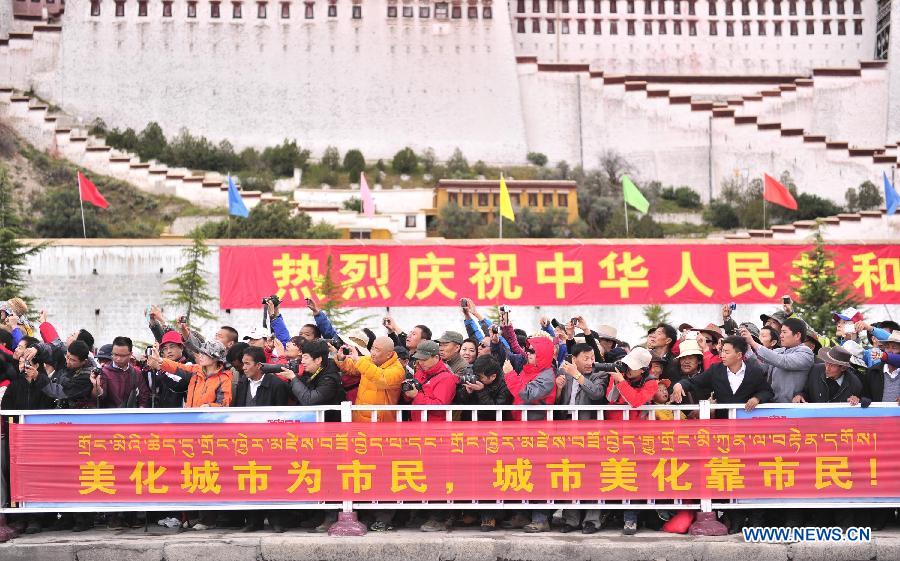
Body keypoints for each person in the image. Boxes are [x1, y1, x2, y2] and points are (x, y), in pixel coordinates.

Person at [233, 346, 290, 532]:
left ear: (259, 365)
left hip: (271, 443)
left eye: (247, 364)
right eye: (243, 364)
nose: (244, 367)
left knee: (274, 480)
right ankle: (253, 521)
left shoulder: (277, 385)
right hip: (248, 442)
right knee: (251, 479)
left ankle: (277, 521)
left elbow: (283, 416)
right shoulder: (242, 384)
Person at [556, 343, 609, 534]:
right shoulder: (564, 372)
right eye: (585, 358)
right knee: (570, 473)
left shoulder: (599, 374)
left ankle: (592, 520)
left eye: (592, 357)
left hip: (590, 431)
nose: (590, 362)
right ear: (574, 359)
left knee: (591, 475)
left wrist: (578, 376)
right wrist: (560, 389)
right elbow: (557, 403)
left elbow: (597, 393)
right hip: (567, 430)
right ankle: (571, 519)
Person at [604, 347, 655, 535]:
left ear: (643, 369)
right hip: (614, 434)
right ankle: (611, 514)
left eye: (633, 367)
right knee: (612, 475)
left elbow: (636, 401)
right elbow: (610, 398)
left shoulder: (651, 383)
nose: (628, 369)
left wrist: (622, 383)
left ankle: (630, 518)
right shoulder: (619, 376)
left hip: (637, 437)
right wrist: (618, 381)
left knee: (632, 477)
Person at [741, 318, 814, 404]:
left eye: (784, 332)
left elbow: (783, 361)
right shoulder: (778, 351)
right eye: (781, 332)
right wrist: (748, 349)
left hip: (792, 407)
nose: (781, 335)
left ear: (797, 335)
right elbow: (760, 368)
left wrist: (753, 343)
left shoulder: (806, 352)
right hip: (771, 405)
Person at [862, 331, 900, 403]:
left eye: (894, 348)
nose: (890, 351)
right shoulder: (873, 371)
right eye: (887, 347)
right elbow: (865, 396)